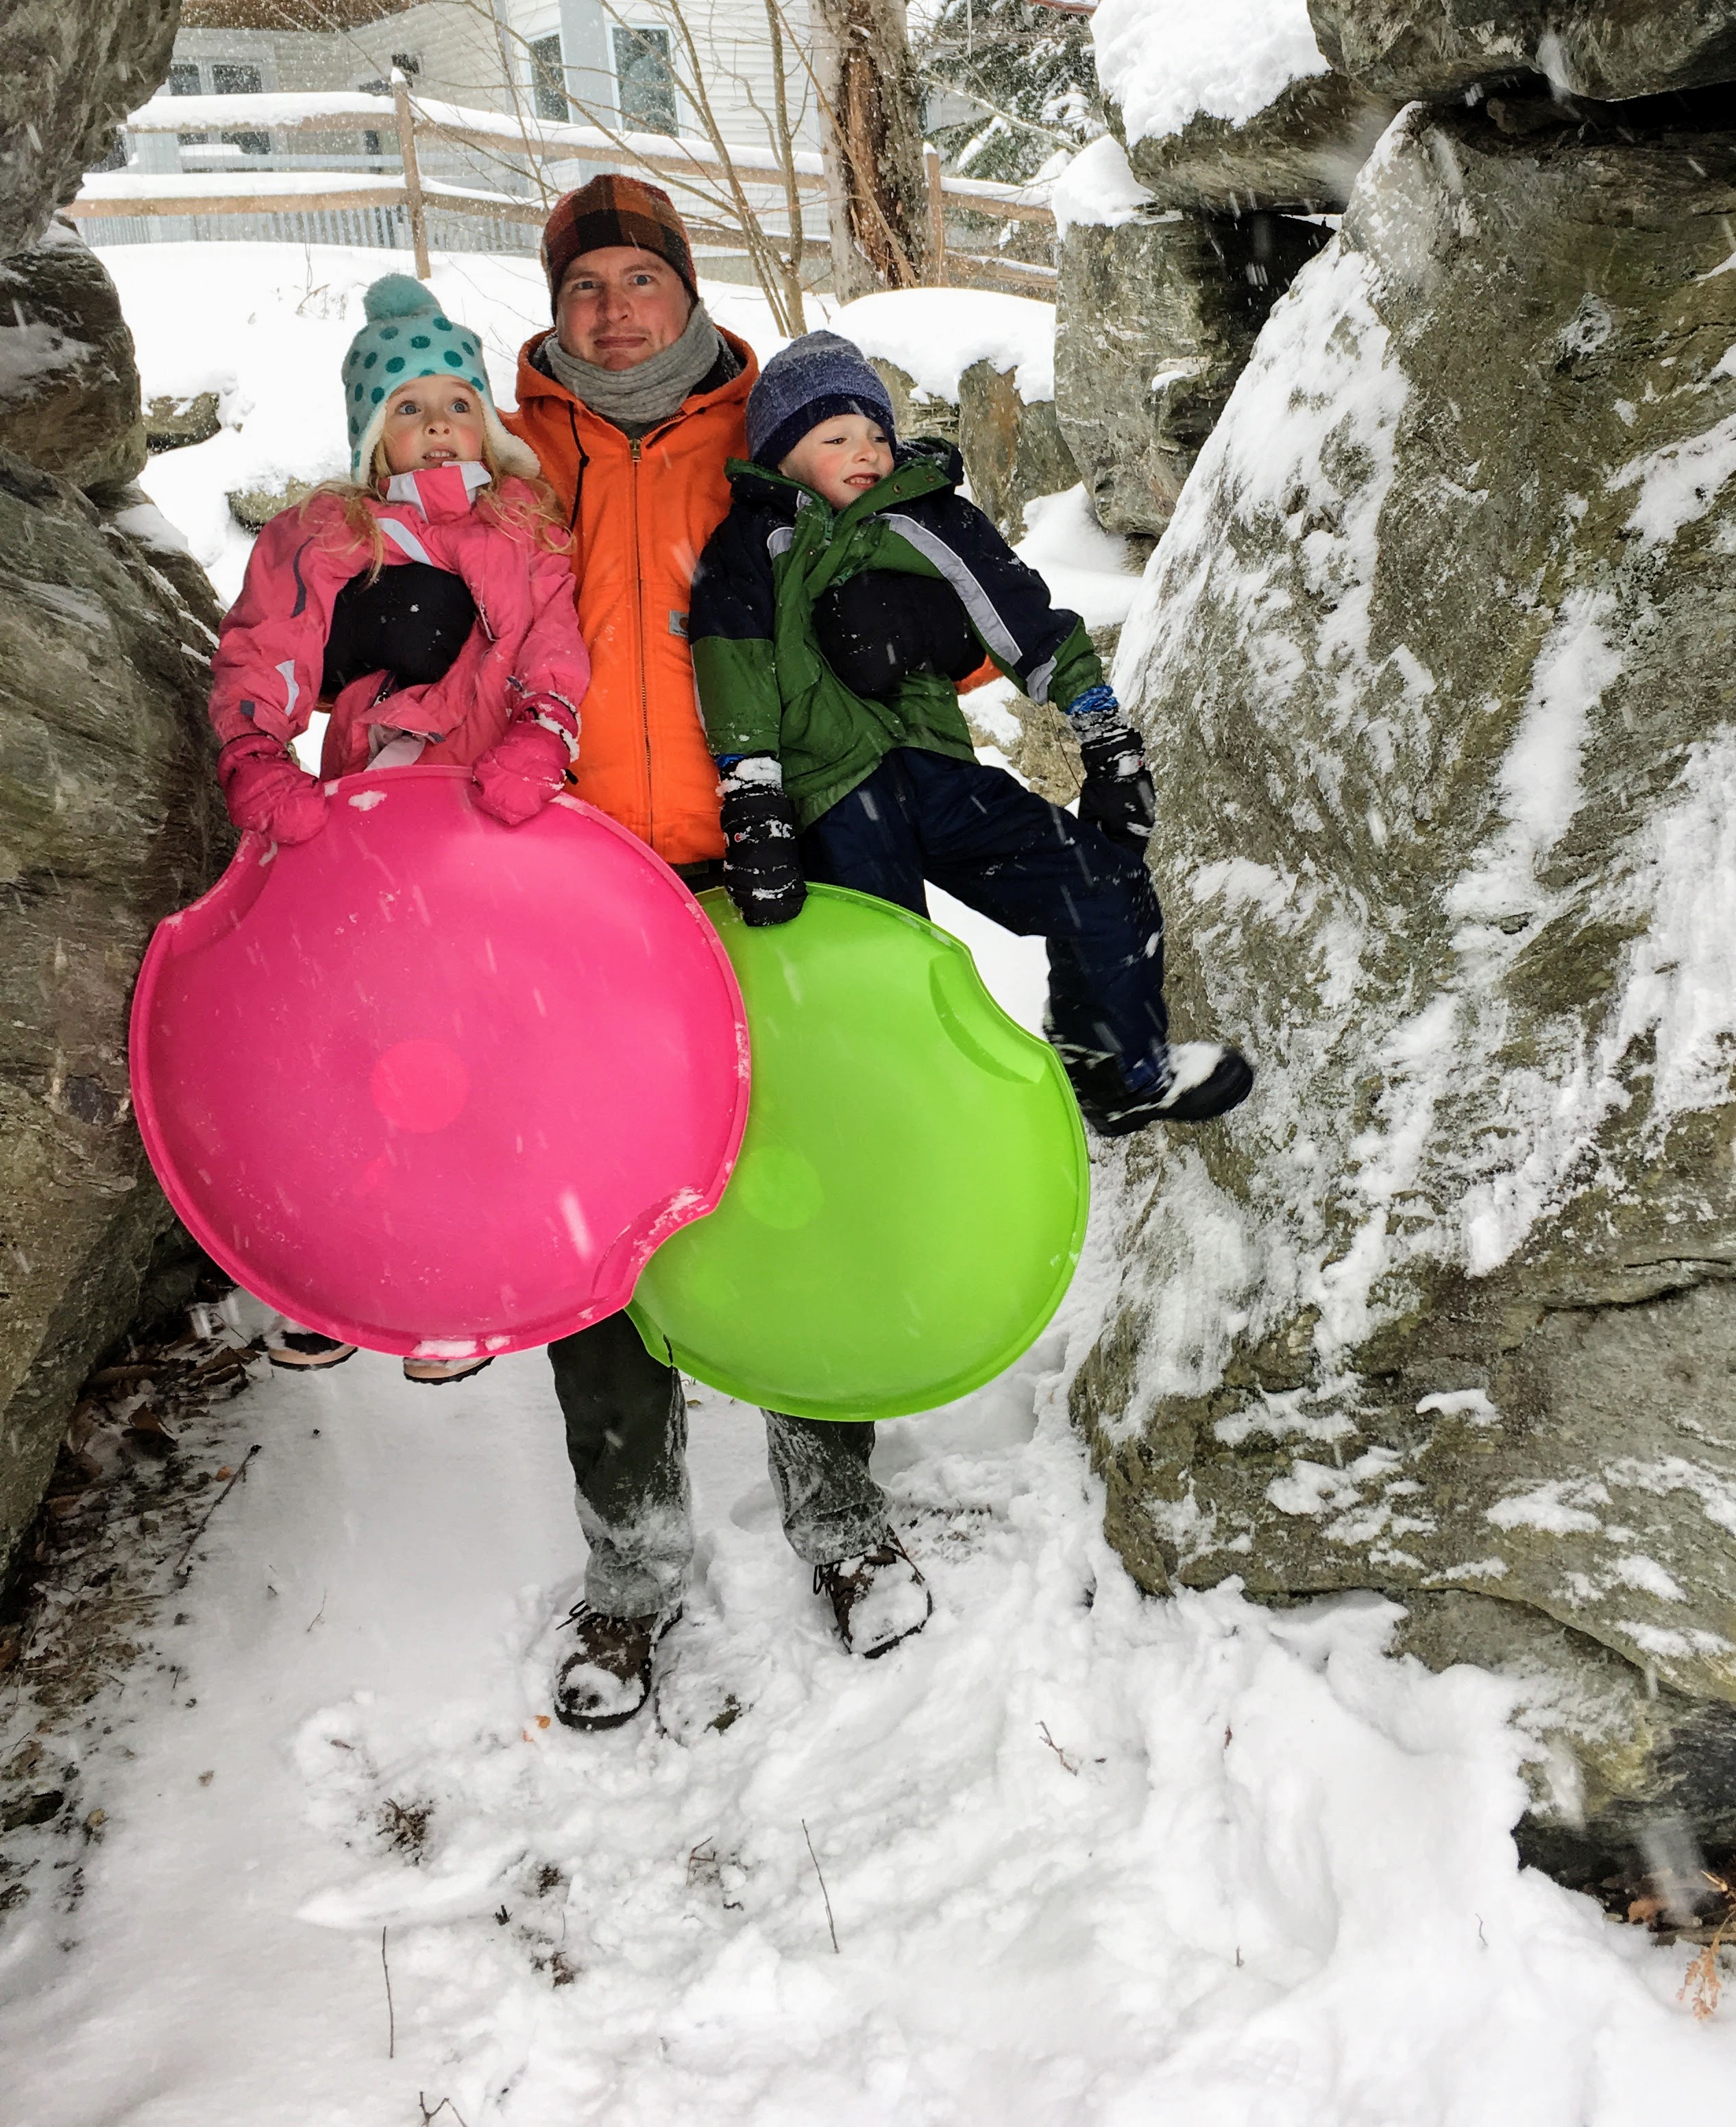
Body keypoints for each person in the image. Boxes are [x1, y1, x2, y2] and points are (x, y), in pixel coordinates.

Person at [510, 178, 938, 1729]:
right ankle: (632, 1574)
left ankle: (839, 1519)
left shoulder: (777, 435)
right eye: (588, 289)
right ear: (557, 309)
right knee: (600, 1230)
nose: (616, 311)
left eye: (642, 279)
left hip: (774, 871)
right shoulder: (502, 461)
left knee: (797, 1192)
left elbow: (920, 582)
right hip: (576, 899)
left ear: (686, 292)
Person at [694, 328, 1254, 1137]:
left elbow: (1022, 616)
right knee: (892, 976)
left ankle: (1117, 1070)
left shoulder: (928, 517)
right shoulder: (752, 544)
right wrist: (755, 800)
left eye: (877, 435)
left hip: (938, 772)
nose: (867, 452)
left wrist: (1103, 730)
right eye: (836, 437)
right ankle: (912, 1138)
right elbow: (733, 667)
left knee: (1102, 886)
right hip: (835, 794)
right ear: (781, 454)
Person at [208, 273, 588, 1385]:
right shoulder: (330, 531)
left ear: (487, 416)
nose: (436, 424)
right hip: (368, 813)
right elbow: (265, 647)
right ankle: (345, 1267)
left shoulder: (524, 524)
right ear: (375, 433)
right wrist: (258, 758)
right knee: (366, 1039)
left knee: (485, 1040)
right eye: (409, 406)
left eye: (456, 401)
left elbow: (550, 644)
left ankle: (465, 1275)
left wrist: (541, 737)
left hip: (493, 823)